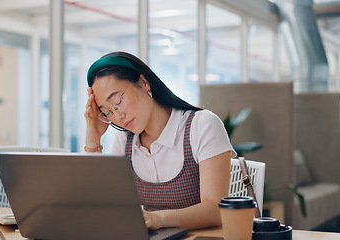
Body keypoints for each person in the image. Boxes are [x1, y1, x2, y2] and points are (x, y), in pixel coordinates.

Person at [84, 51, 236, 230]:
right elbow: (107, 205)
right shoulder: (125, 140)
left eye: (118, 100)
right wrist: (93, 140)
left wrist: (157, 219)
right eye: (107, 112)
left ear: (143, 82)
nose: (118, 115)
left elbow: (215, 209)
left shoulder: (201, 125)